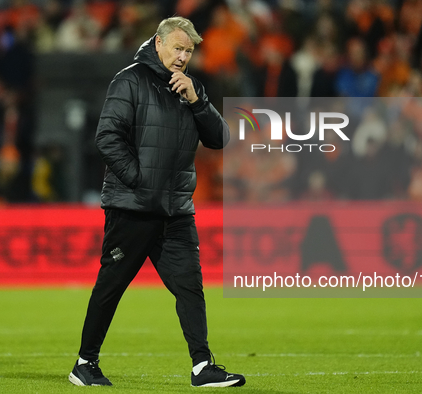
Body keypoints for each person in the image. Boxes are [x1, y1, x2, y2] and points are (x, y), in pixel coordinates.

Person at [68, 17, 245, 388]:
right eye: (178, 48)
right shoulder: (129, 80)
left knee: (190, 287)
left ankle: (202, 366)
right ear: (159, 43)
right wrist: (138, 180)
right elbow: (106, 137)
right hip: (132, 207)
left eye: (189, 51)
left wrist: (197, 102)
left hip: (176, 210)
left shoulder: (190, 89)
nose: (183, 57)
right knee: (111, 286)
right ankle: (85, 363)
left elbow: (221, 138)